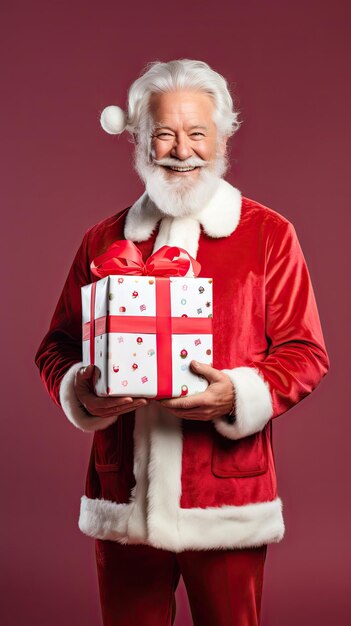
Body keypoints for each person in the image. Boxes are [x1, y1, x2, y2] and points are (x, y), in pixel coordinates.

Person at [35, 59, 329, 626]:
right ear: (141, 140)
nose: (181, 149)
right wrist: (81, 391)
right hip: (124, 496)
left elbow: (305, 352)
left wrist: (239, 395)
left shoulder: (269, 234)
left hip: (226, 494)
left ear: (222, 137)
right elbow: (56, 346)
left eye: (197, 133)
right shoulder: (101, 240)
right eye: (164, 133)